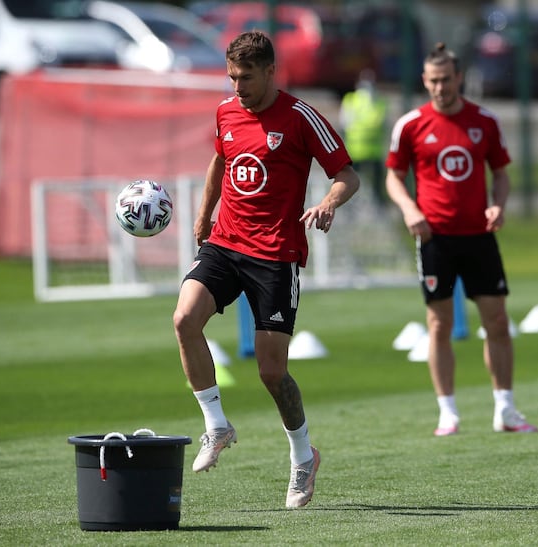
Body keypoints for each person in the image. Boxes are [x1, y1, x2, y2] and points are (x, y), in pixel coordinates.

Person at [172, 30, 360, 508]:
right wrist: (203, 213)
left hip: (276, 255)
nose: (238, 88)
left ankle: (303, 457)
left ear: (272, 72)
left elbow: (347, 174)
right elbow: (220, 158)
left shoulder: (301, 118)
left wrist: (328, 203)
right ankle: (216, 424)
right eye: (233, 77)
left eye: (247, 78)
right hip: (225, 242)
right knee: (184, 319)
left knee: (271, 372)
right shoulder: (226, 111)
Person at [385, 42, 537, 437]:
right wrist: (409, 209)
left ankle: (505, 408)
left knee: (498, 321)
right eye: (433, 81)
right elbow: (393, 177)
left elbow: (501, 173)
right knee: (439, 324)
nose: (440, 87)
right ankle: (447, 411)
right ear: (425, 81)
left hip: (479, 237)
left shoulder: (484, 121)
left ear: (459, 78)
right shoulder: (410, 125)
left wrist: (498, 205)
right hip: (435, 237)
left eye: (446, 79)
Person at [339, 69, 389, 205]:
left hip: (358, 151)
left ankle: (363, 206)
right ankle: (378, 206)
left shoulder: (351, 100)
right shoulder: (379, 102)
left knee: (353, 184)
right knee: (373, 185)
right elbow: (385, 126)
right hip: (368, 151)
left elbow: (343, 125)